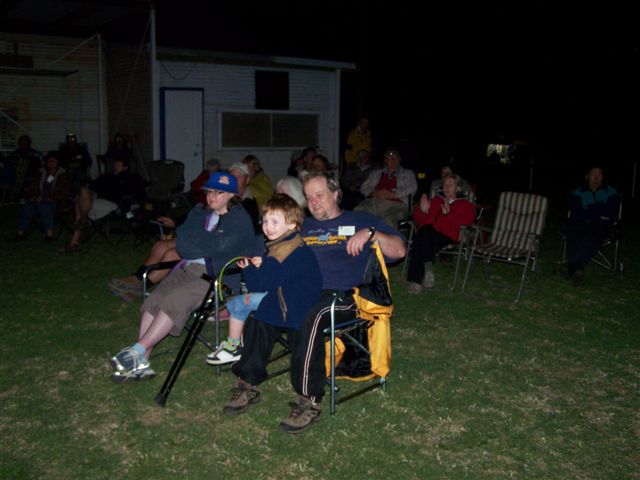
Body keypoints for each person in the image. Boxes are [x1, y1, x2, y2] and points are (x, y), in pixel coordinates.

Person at [225, 172, 405, 433]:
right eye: (309, 197)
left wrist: (371, 233)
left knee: (310, 314)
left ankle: (309, 400)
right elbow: (264, 246)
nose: (314, 202)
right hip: (296, 291)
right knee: (262, 307)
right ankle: (247, 382)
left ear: (336, 194)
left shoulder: (360, 220)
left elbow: (399, 250)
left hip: (342, 296)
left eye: (319, 195)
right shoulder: (301, 225)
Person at [110, 171, 255, 382]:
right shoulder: (199, 212)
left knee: (174, 299)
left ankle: (136, 351)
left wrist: (199, 240)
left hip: (218, 278)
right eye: (210, 191)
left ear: (232, 195)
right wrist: (205, 241)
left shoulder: (239, 219)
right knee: (155, 299)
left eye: (219, 193)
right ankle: (141, 363)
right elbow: (183, 243)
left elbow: (219, 246)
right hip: (189, 269)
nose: (211, 196)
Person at [207, 193, 321, 367]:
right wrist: (262, 266)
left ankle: (233, 347)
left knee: (237, 303)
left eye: (275, 222)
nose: (268, 227)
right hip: (298, 299)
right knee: (242, 303)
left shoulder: (282, 252)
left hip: (289, 305)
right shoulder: (293, 245)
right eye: (265, 221)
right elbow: (277, 276)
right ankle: (236, 346)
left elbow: (258, 286)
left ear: (292, 224)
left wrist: (250, 269)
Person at [406, 174, 475, 294]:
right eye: (445, 184)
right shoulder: (435, 201)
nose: (447, 187)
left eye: (450, 184)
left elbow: (467, 222)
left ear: (458, 188)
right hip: (429, 233)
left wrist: (449, 214)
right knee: (425, 233)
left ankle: (415, 281)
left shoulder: (465, 205)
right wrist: (422, 210)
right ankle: (427, 269)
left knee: (421, 239)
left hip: (447, 235)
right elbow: (419, 221)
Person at [62, 157, 146, 252]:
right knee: (83, 190)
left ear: (125, 167)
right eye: (114, 164)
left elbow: (135, 194)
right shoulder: (106, 176)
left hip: (113, 204)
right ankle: (83, 224)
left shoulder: (130, 178)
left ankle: (75, 239)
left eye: (118, 165)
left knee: (79, 206)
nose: (115, 167)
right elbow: (93, 186)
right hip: (97, 200)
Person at [562, 167, 619, 287]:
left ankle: (572, 267)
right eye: (593, 175)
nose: (596, 178)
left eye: (599, 175)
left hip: (600, 226)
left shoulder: (611, 192)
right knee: (574, 235)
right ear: (587, 177)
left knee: (591, 236)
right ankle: (578, 270)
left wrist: (587, 209)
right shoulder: (578, 192)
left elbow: (610, 213)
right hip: (578, 223)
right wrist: (598, 211)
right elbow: (575, 212)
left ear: (602, 178)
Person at [11, 151, 71, 243]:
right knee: (28, 206)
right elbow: (33, 187)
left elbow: (63, 192)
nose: (51, 163)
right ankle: (20, 233)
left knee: (44, 206)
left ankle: (49, 235)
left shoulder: (63, 174)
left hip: (57, 201)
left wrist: (45, 199)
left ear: (58, 162)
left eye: (53, 161)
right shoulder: (41, 172)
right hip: (40, 199)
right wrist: (34, 196)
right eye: (49, 161)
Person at [355, 147, 417, 228]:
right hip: (375, 202)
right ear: (385, 160)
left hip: (397, 205)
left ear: (399, 159)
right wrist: (375, 193)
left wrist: (392, 194)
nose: (392, 160)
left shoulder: (408, 173)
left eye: (395, 158)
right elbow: (364, 188)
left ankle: (385, 235)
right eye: (389, 158)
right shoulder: (376, 173)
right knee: (358, 212)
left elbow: (412, 188)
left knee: (388, 222)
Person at [229, 162, 260, 233]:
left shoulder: (250, 203)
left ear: (247, 180)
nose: (235, 180)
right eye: (232, 177)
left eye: (239, 177)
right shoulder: (222, 199)